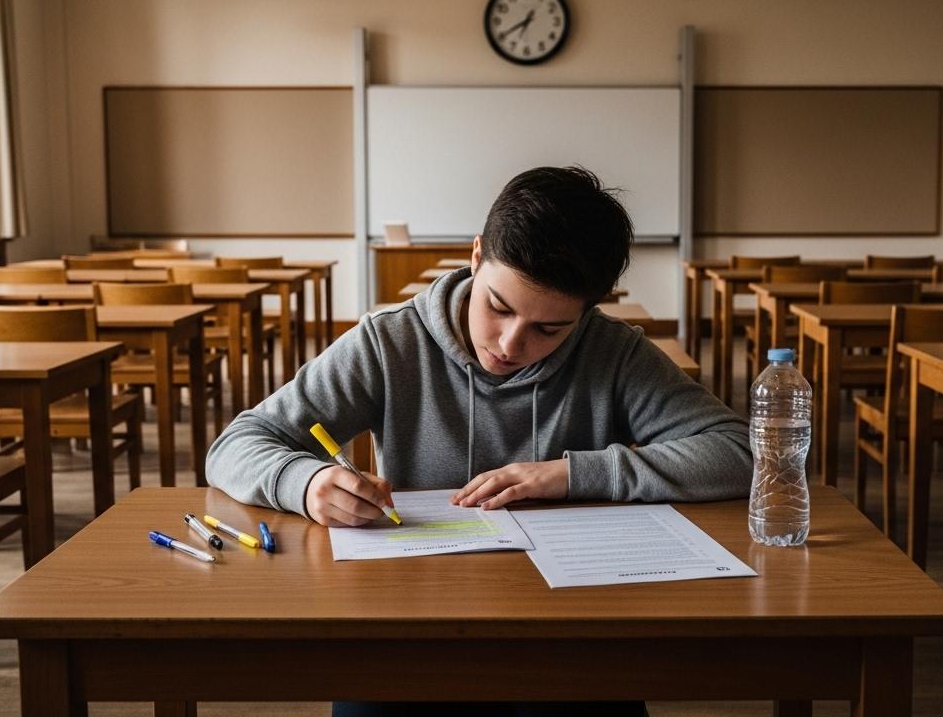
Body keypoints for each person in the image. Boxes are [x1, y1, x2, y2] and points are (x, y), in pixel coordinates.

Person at [206, 165, 751, 717]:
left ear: (587, 310)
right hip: (414, 620)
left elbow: (738, 452)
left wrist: (570, 474)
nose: (511, 344)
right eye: (498, 306)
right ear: (475, 257)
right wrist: (307, 481)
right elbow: (237, 443)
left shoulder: (614, 353)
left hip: (570, 620)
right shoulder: (389, 341)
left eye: (549, 329)